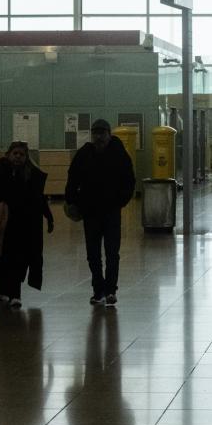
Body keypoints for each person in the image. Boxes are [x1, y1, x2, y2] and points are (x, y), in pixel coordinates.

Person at [0, 141, 56, 308]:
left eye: (22, 154)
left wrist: (48, 216)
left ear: (26, 157)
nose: (18, 157)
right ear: (8, 154)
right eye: (15, 153)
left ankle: (16, 293)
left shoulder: (30, 175)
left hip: (23, 226)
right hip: (2, 226)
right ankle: (3, 290)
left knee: (19, 260)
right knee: (1, 257)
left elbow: (38, 198)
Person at [66, 119, 136, 306]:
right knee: (93, 253)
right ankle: (98, 290)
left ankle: (111, 290)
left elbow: (129, 179)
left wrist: (121, 201)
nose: (99, 136)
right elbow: (72, 178)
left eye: (102, 132)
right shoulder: (84, 154)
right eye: (95, 132)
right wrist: (71, 201)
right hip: (91, 212)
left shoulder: (119, 154)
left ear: (109, 134)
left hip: (111, 211)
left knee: (112, 252)